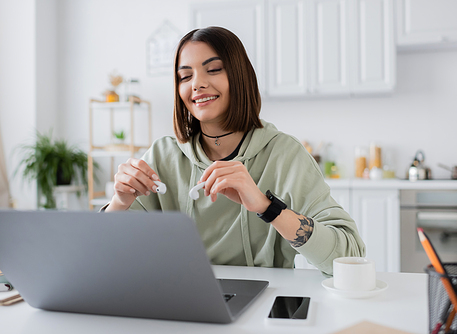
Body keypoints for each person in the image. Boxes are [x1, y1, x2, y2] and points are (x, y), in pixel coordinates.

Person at [103, 26, 365, 276]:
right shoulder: (163, 155)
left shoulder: (285, 154)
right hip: (181, 299)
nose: (197, 84)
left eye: (213, 69)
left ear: (240, 76)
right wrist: (120, 201)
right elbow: (105, 255)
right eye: (185, 76)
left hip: (266, 299)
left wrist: (266, 207)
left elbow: (349, 256)